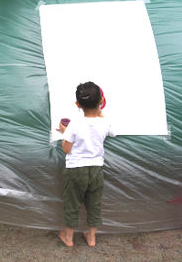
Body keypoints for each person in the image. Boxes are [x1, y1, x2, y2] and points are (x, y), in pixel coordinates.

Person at [57, 81, 115, 247]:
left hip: (76, 170)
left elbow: (67, 149)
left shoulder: (74, 124)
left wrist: (64, 132)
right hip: (96, 170)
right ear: (100, 103)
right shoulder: (104, 123)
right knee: (94, 203)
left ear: (77, 104)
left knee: (73, 203)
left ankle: (68, 237)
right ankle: (91, 237)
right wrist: (99, 112)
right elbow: (113, 132)